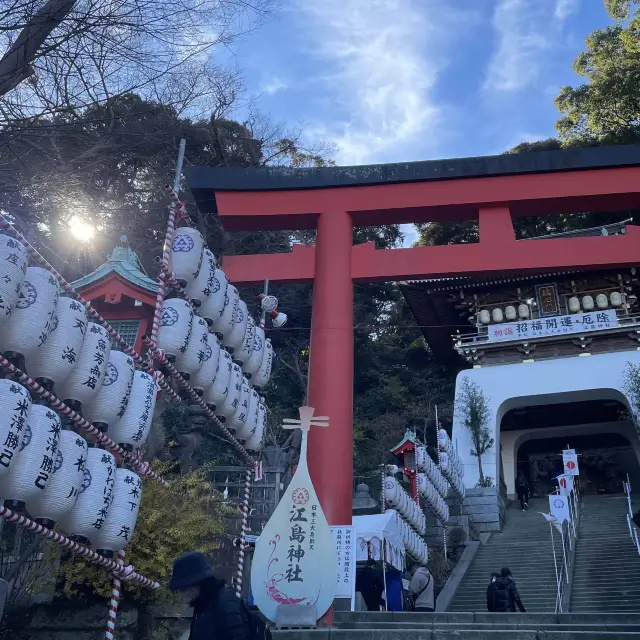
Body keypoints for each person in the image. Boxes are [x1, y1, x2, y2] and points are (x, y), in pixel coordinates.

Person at [169, 551, 250, 640]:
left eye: (183, 589)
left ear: (196, 585)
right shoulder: (203, 605)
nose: (182, 594)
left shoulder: (225, 605)